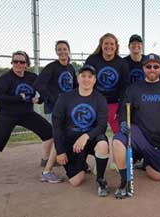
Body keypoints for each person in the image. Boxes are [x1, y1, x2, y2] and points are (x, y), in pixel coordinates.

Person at [0, 51, 60, 183]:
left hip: (26, 114)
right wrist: (17, 98)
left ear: (27, 64)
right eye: (15, 61)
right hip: (7, 115)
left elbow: (42, 90)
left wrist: (39, 100)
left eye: (21, 62)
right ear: (12, 63)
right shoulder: (6, 78)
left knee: (49, 132)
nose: (18, 64)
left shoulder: (31, 77)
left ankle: (45, 160)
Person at [112, 53, 160, 199]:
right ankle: (124, 181)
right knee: (118, 141)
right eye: (148, 66)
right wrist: (124, 122)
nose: (152, 69)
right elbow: (124, 110)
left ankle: (146, 162)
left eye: (155, 66)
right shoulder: (134, 88)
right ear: (143, 68)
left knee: (157, 176)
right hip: (139, 135)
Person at [52, 64, 110, 197]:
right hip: (72, 141)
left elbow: (102, 126)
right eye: (83, 76)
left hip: (91, 138)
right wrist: (60, 151)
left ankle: (100, 179)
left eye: (90, 76)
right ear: (77, 78)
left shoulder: (100, 99)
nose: (86, 79)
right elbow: (57, 126)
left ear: (94, 80)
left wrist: (86, 136)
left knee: (102, 145)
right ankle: (82, 163)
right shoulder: (65, 98)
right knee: (75, 181)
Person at [34, 40, 78, 172]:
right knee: (60, 134)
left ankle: (50, 160)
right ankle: (48, 165)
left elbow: (75, 86)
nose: (62, 51)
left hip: (67, 107)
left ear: (69, 50)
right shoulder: (52, 67)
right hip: (54, 107)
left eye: (64, 49)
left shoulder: (70, 68)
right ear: (56, 52)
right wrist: (51, 98)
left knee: (64, 133)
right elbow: (39, 84)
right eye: (59, 49)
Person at [84, 33, 129, 134]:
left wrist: (120, 108)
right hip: (96, 102)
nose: (109, 46)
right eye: (106, 43)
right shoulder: (92, 60)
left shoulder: (121, 63)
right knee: (92, 133)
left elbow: (124, 87)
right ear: (101, 45)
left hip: (114, 103)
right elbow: (86, 81)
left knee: (120, 134)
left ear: (116, 46)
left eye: (112, 44)